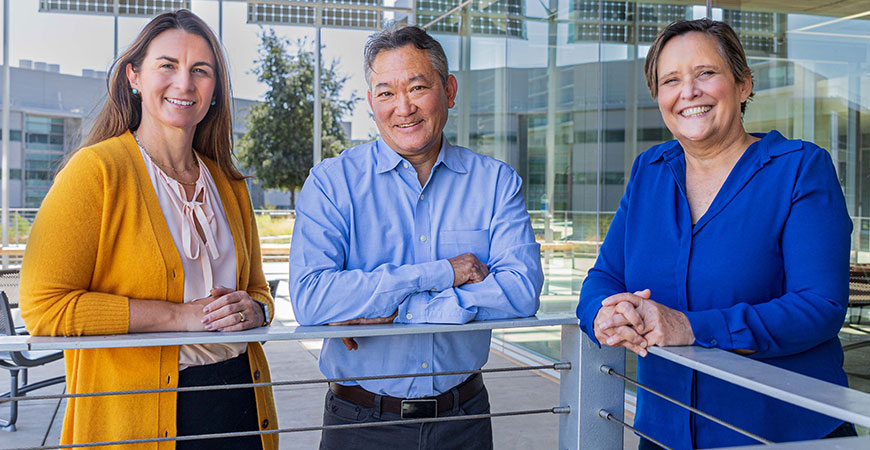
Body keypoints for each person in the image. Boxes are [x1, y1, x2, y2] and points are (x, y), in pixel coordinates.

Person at [576, 18, 856, 449]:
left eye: (706, 73)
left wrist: (690, 326)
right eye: (671, 80)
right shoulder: (649, 170)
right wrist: (603, 314)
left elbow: (820, 306)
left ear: (744, 85)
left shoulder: (799, 169)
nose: (688, 92)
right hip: (663, 432)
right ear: (659, 98)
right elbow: (605, 277)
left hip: (779, 435)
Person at [19, 10, 277, 450]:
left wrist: (255, 311)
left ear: (215, 90)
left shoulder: (230, 186)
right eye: (168, 66)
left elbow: (259, 291)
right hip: (135, 415)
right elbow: (45, 308)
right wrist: (179, 317)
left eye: (201, 70)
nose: (184, 83)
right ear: (133, 76)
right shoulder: (95, 172)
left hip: (240, 402)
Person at [289, 24, 543, 450]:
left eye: (417, 87)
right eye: (386, 93)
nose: (403, 107)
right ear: (371, 103)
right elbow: (312, 299)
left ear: (450, 90)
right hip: (359, 423)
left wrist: (396, 309)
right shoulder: (332, 183)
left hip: (464, 421)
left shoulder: (496, 183)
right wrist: (442, 273)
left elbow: (521, 291)